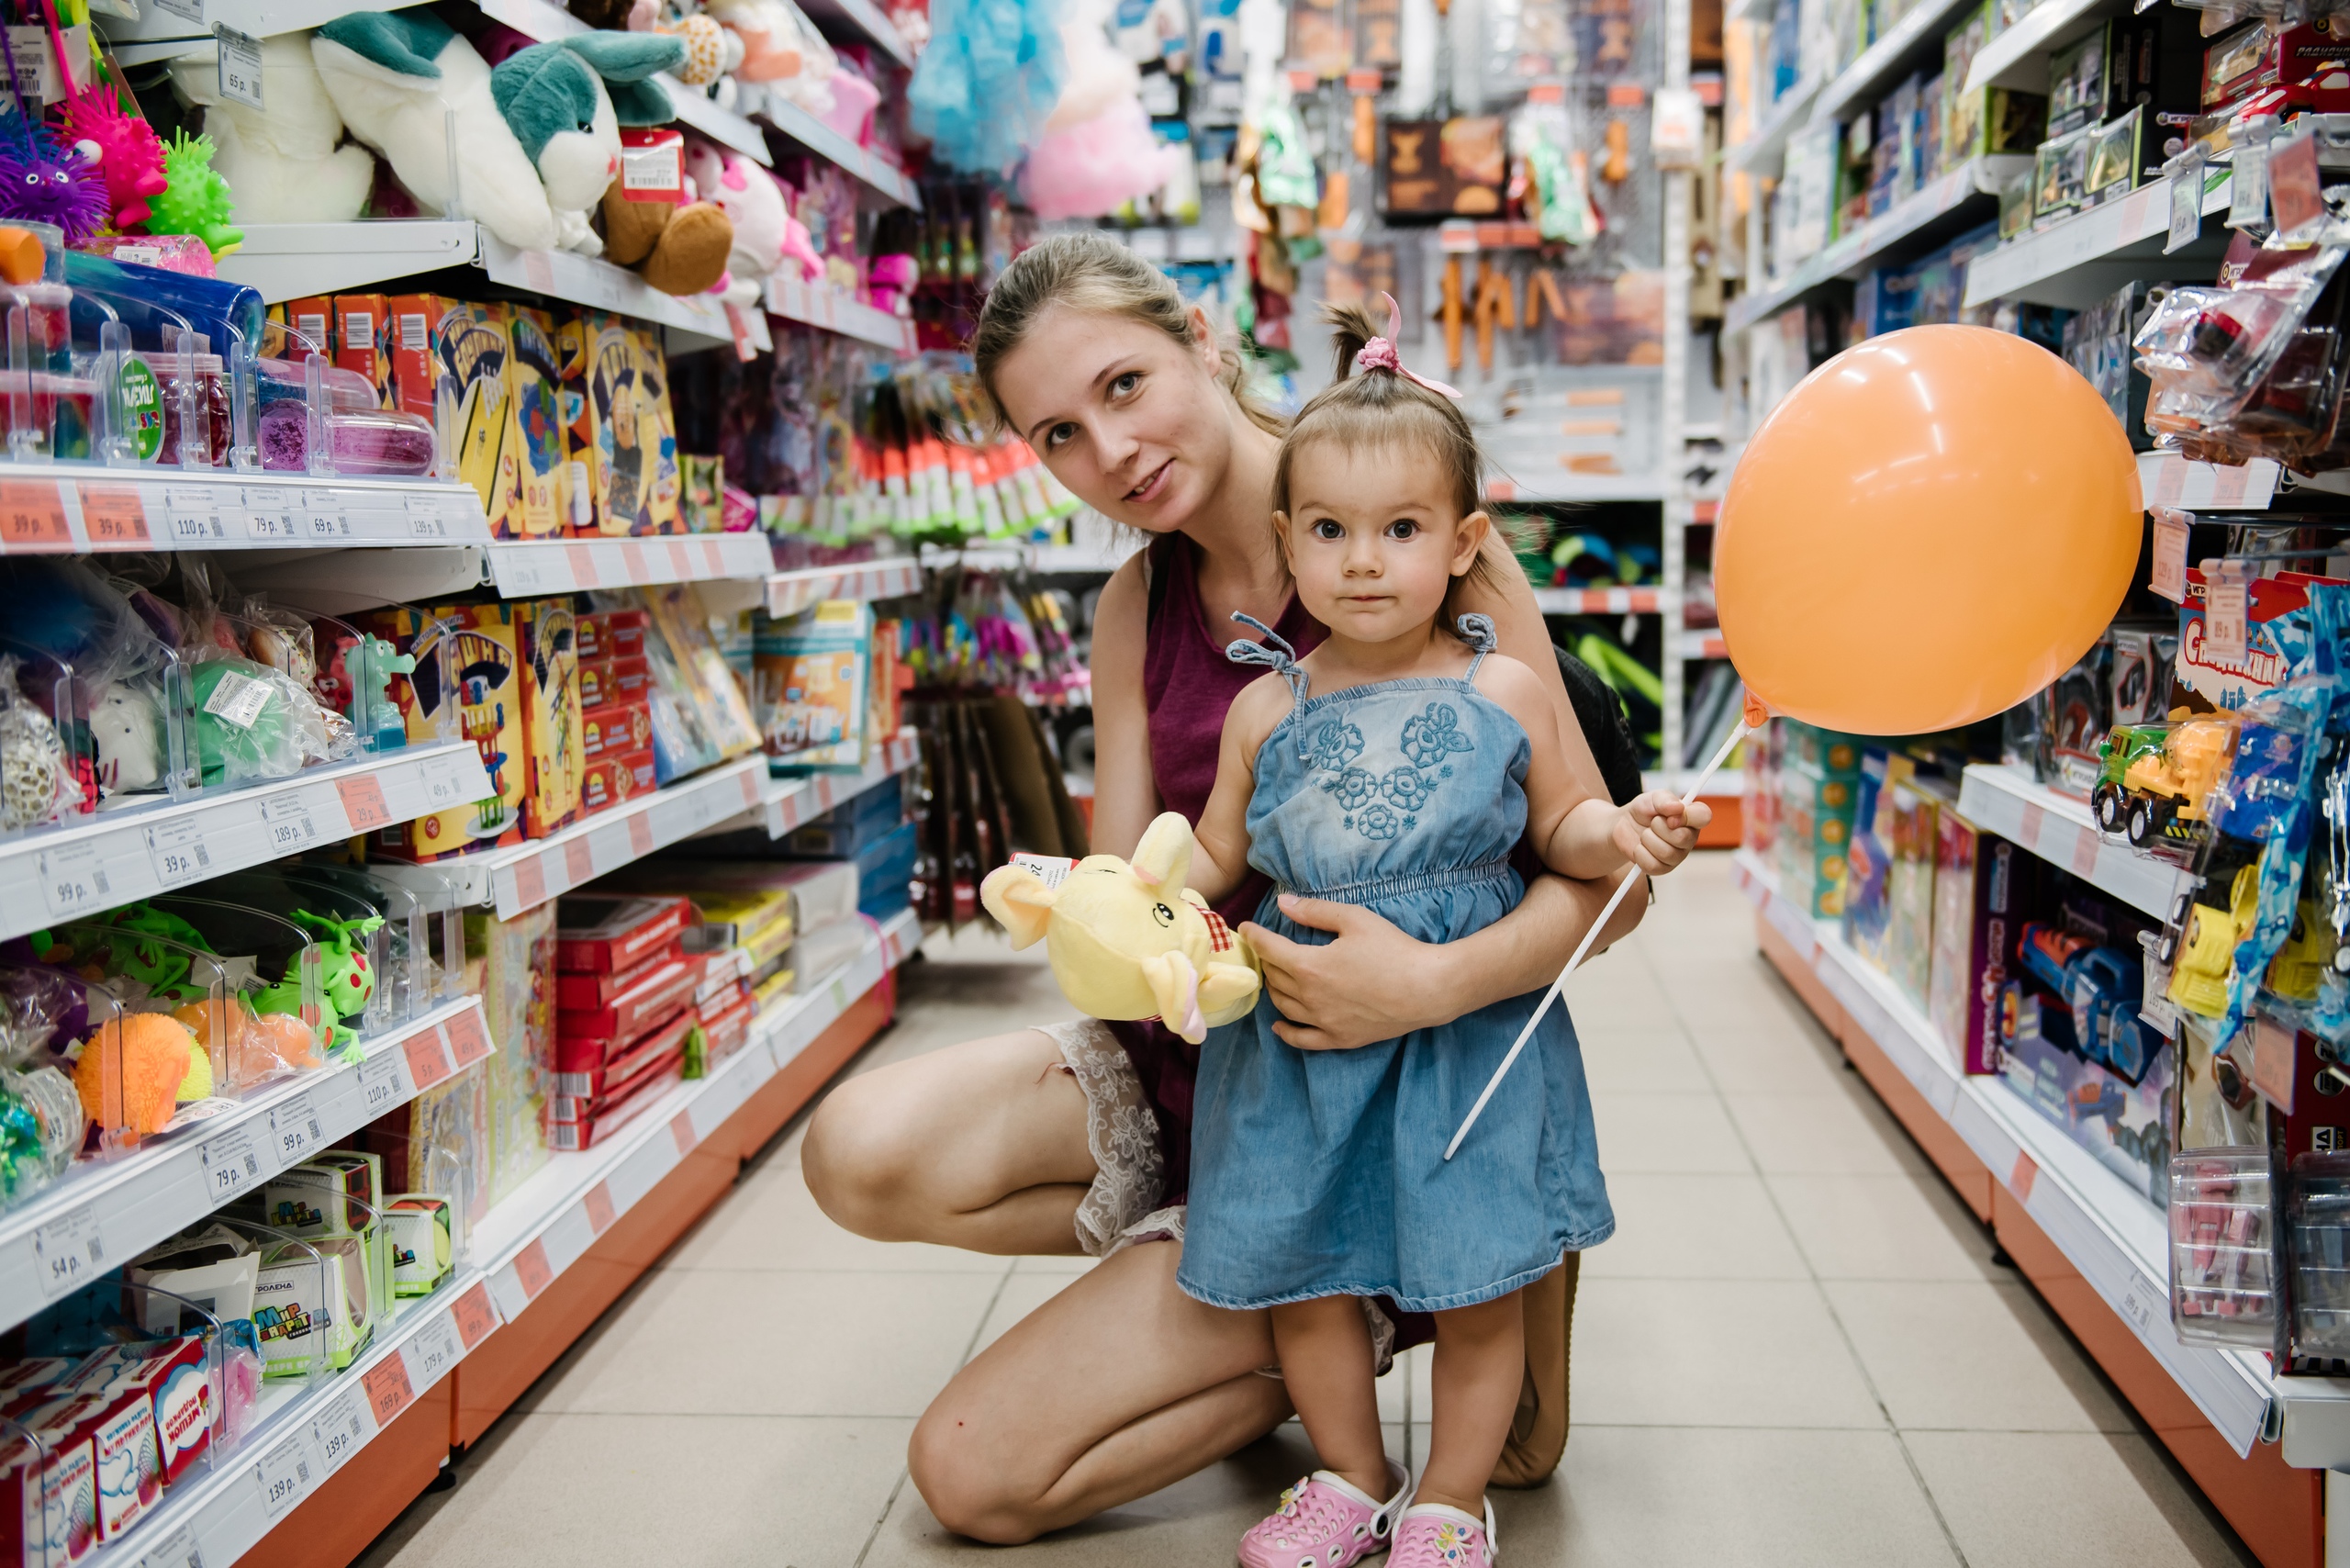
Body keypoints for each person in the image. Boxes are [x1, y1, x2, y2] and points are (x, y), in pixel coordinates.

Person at [802, 231, 1659, 1545]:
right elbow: (1156, 878)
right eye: (1059, 435)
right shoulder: (1137, 604)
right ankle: (1256, 1299)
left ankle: (1397, 1291)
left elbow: (1607, 883)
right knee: (854, 1151)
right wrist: (1078, 905)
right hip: (1230, 1074)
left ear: (1204, 341)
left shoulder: (1433, 555)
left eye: (1124, 385)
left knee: (972, 1476)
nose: (1111, 452)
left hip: (1414, 1079)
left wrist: (1427, 981)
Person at [1173, 298, 1703, 1568]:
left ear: (1462, 543)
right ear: (1288, 542)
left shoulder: (1502, 687)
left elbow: (1565, 823)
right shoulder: (1263, 710)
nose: (1364, 561)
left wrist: (1623, 835)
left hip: (1472, 1043)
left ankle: (1456, 1499)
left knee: (1479, 1281)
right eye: (1331, 532)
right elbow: (1212, 854)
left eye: (1401, 530)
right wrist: (1136, 899)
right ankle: (1352, 1478)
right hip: (1298, 1048)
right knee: (1305, 1269)